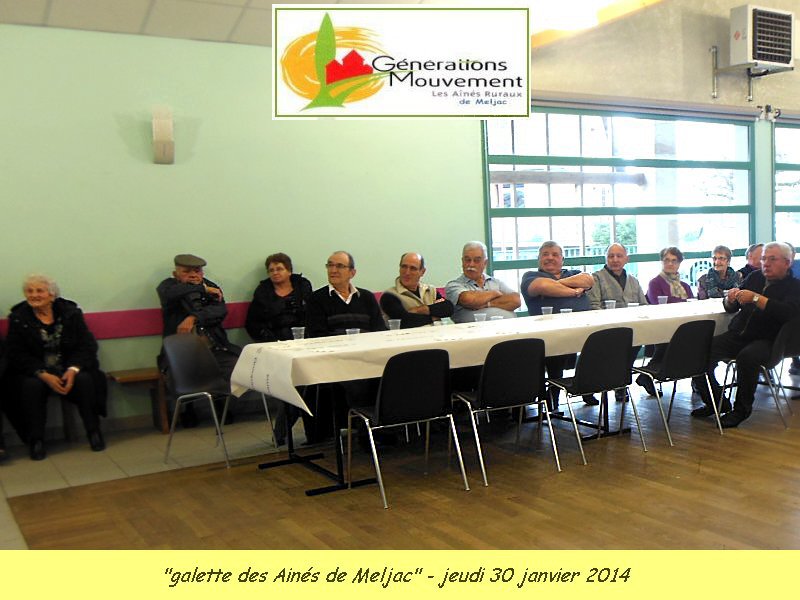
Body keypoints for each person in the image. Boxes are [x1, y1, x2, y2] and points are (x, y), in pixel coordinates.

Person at [691, 242, 800, 428]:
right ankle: (716, 402)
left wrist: (756, 299)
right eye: (763, 259)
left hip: (769, 340)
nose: (766, 263)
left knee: (747, 358)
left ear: (787, 262)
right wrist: (730, 299)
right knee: (698, 352)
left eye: (772, 259)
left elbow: (788, 313)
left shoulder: (794, 287)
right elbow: (733, 307)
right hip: (738, 334)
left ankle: (741, 410)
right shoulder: (755, 277)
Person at [6, 274, 107, 460]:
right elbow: (16, 353)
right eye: (29, 291)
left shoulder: (71, 314)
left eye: (39, 291)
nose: (34, 295)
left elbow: (86, 345)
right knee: (31, 386)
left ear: (52, 295)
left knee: (85, 380)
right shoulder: (18, 318)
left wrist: (73, 369)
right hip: (35, 373)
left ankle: (94, 432)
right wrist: (42, 373)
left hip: (68, 368)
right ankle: (36, 440)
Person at [156, 254, 241, 427]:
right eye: (186, 272)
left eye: (197, 271)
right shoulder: (168, 286)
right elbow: (169, 295)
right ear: (175, 273)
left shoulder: (212, 287)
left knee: (236, 366)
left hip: (214, 347)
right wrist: (201, 288)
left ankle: (220, 404)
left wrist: (194, 318)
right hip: (181, 354)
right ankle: (189, 409)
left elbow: (219, 311)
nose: (193, 275)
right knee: (179, 374)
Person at [245, 252, 314, 444]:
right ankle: (285, 432)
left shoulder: (303, 287)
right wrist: (270, 341)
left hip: (304, 344)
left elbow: (312, 315)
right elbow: (252, 324)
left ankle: (305, 432)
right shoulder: (263, 292)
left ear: (289, 271)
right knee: (295, 384)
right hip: (275, 347)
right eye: (271, 270)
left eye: (279, 269)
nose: (275, 273)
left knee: (306, 383)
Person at [521, 241, 597, 406]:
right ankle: (552, 397)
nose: (550, 258)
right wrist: (575, 291)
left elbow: (588, 280)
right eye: (545, 254)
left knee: (602, 342)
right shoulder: (530, 276)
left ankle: (587, 387)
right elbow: (541, 285)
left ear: (562, 259)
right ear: (539, 258)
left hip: (584, 329)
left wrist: (555, 286)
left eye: (555, 254)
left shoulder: (574, 272)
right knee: (556, 354)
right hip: (549, 334)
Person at [636, 247, 695, 395]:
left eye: (674, 261)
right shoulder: (655, 283)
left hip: (683, 325)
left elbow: (692, 305)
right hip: (661, 327)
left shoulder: (685, 286)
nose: (670, 264)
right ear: (661, 262)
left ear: (679, 263)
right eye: (666, 260)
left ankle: (647, 375)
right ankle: (648, 375)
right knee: (674, 340)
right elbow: (659, 305)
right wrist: (680, 303)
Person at [445, 241, 520, 323]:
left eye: (476, 260)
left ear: (485, 263)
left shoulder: (495, 282)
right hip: (472, 330)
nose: (471, 264)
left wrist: (485, 303)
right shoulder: (454, 285)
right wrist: (495, 293)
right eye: (467, 260)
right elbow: (469, 300)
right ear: (462, 261)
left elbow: (516, 300)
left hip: (509, 328)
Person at [380, 252, 454, 327]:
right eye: (404, 267)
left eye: (413, 268)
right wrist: (433, 317)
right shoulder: (389, 295)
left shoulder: (429, 290)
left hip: (436, 333)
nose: (407, 272)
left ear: (422, 272)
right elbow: (405, 321)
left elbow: (448, 308)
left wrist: (421, 310)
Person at [587, 243, 648, 310]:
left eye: (619, 256)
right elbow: (594, 306)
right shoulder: (596, 278)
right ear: (605, 259)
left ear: (627, 259)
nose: (615, 260)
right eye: (611, 256)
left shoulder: (633, 280)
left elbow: (644, 305)